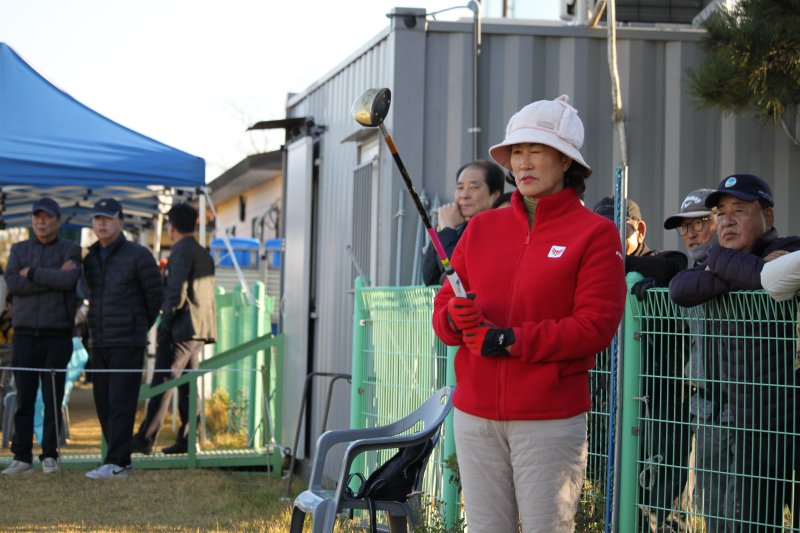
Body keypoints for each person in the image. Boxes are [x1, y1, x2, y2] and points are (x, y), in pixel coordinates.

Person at [432, 95, 626, 532]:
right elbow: (443, 309)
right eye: (516, 152)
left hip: (549, 420)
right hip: (475, 417)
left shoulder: (595, 234)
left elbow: (594, 327)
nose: (523, 163)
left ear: (565, 161)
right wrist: (455, 319)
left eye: (536, 150)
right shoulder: (482, 227)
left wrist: (509, 340)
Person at [669, 174, 800, 531]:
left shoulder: (790, 246)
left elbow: (776, 272)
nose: (726, 220)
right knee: (751, 524)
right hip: (750, 427)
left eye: (738, 211)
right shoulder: (720, 259)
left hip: (791, 420)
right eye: (721, 213)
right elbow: (680, 288)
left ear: (767, 218)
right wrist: (742, 269)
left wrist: (725, 266)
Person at [593, 195, 691, 531]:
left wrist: (629, 272)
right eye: (600, 232)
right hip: (611, 402)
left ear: (641, 230)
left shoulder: (660, 265)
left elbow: (676, 264)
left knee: (662, 497)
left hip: (662, 400)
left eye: (620, 230)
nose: (609, 240)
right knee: (610, 491)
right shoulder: (594, 272)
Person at [83, 198, 162, 479]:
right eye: (97, 218)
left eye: (108, 218)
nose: (102, 223)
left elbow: (156, 296)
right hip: (99, 340)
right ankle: (119, 460)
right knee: (103, 402)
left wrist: (137, 327)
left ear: (120, 221)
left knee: (121, 402)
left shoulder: (138, 255)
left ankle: (117, 461)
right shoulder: (90, 257)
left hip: (127, 341)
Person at [2, 198, 81, 476]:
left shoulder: (70, 248)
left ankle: (50, 454)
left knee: (52, 397)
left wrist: (33, 274)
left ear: (58, 220)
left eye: (47, 217)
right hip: (24, 334)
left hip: (57, 334)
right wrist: (51, 280)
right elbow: (13, 282)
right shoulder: (19, 248)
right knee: (23, 396)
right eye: (37, 217)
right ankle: (21, 456)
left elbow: (68, 282)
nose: (41, 221)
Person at [131, 202, 216, 455]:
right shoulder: (203, 252)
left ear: (172, 226)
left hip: (180, 326)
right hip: (200, 327)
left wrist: (164, 320)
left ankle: (145, 438)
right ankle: (187, 439)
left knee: (163, 380)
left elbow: (176, 293)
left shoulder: (181, 252)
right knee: (188, 385)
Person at [422, 160, 505, 286]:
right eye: (460, 188)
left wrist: (447, 230)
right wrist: (441, 230)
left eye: (473, 187)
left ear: (495, 195)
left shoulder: (501, 230)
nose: (464, 195)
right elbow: (431, 279)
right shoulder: (461, 229)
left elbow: (459, 277)